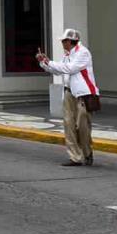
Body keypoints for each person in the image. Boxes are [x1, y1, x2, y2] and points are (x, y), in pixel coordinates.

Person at [37, 28, 99, 167]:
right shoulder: (67, 54)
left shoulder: (83, 53)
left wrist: (50, 62)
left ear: (70, 41)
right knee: (69, 125)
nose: (62, 43)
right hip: (69, 93)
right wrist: (44, 62)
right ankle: (75, 157)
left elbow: (70, 69)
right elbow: (58, 70)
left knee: (83, 126)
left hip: (84, 94)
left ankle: (87, 153)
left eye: (64, 41)